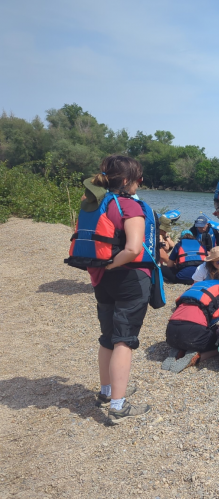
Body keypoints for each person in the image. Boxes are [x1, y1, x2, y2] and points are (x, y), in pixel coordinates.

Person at [67, 154, 153, 425]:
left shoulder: (93, 202)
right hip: (128, 278)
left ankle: (107, 392)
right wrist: (113, 265)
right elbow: (133, 249)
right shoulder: (130, 207)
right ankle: (118, 404)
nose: (140, 184)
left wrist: (104, 267)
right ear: (127, 180)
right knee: (124, 340)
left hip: (99, 277)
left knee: (107, 336)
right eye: (139, 179)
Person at [163, 260, 219, 373]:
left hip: (171, 331)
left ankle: (178, 348)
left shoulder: (198, 285)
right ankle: (193, 352)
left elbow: (176, 306)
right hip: (195, 334)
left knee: (192, 327)